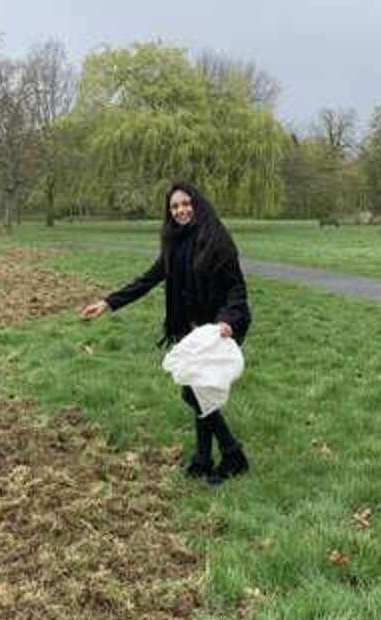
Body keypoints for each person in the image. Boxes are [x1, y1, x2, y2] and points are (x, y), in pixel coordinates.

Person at [79, 180, 252, 485]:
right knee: (197, 388)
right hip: (194, 328)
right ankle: (204, 459)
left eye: (186, 204)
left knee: (193, 390)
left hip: (223, 326)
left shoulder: (216, 238)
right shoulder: (173, 242)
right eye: (174, 206)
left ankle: (232, 453)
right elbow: (148, 279)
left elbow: (237, 288)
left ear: (196, 204)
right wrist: (108, 303)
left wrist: (227, 321)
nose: (181, 210)